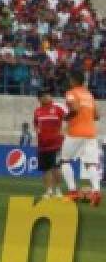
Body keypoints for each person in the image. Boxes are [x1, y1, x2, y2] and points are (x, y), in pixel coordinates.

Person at [60, 71, 100, 205]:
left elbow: (75, 109)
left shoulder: (72, 92)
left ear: (73, 80)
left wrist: (64, 118)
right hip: (91, 133)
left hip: (76, 132)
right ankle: (96, 192)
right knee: (90, 164)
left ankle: (73, 192)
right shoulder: (89, 95)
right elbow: (97, 116)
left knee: (64, 161)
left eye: (70, 79)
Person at [33, 89, 66, 199]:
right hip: (42, 146)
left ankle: (58, 190)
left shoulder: (58, 109)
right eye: (44, 95)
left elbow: (68, 120)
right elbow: (36, 124)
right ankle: (48, 191)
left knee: (56, 168)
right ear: (39, 99)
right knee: (45, 169)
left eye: (48, 95)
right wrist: (38, 133)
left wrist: (63, 133)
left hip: (56, 145)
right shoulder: (37, 111)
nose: (47, 97)